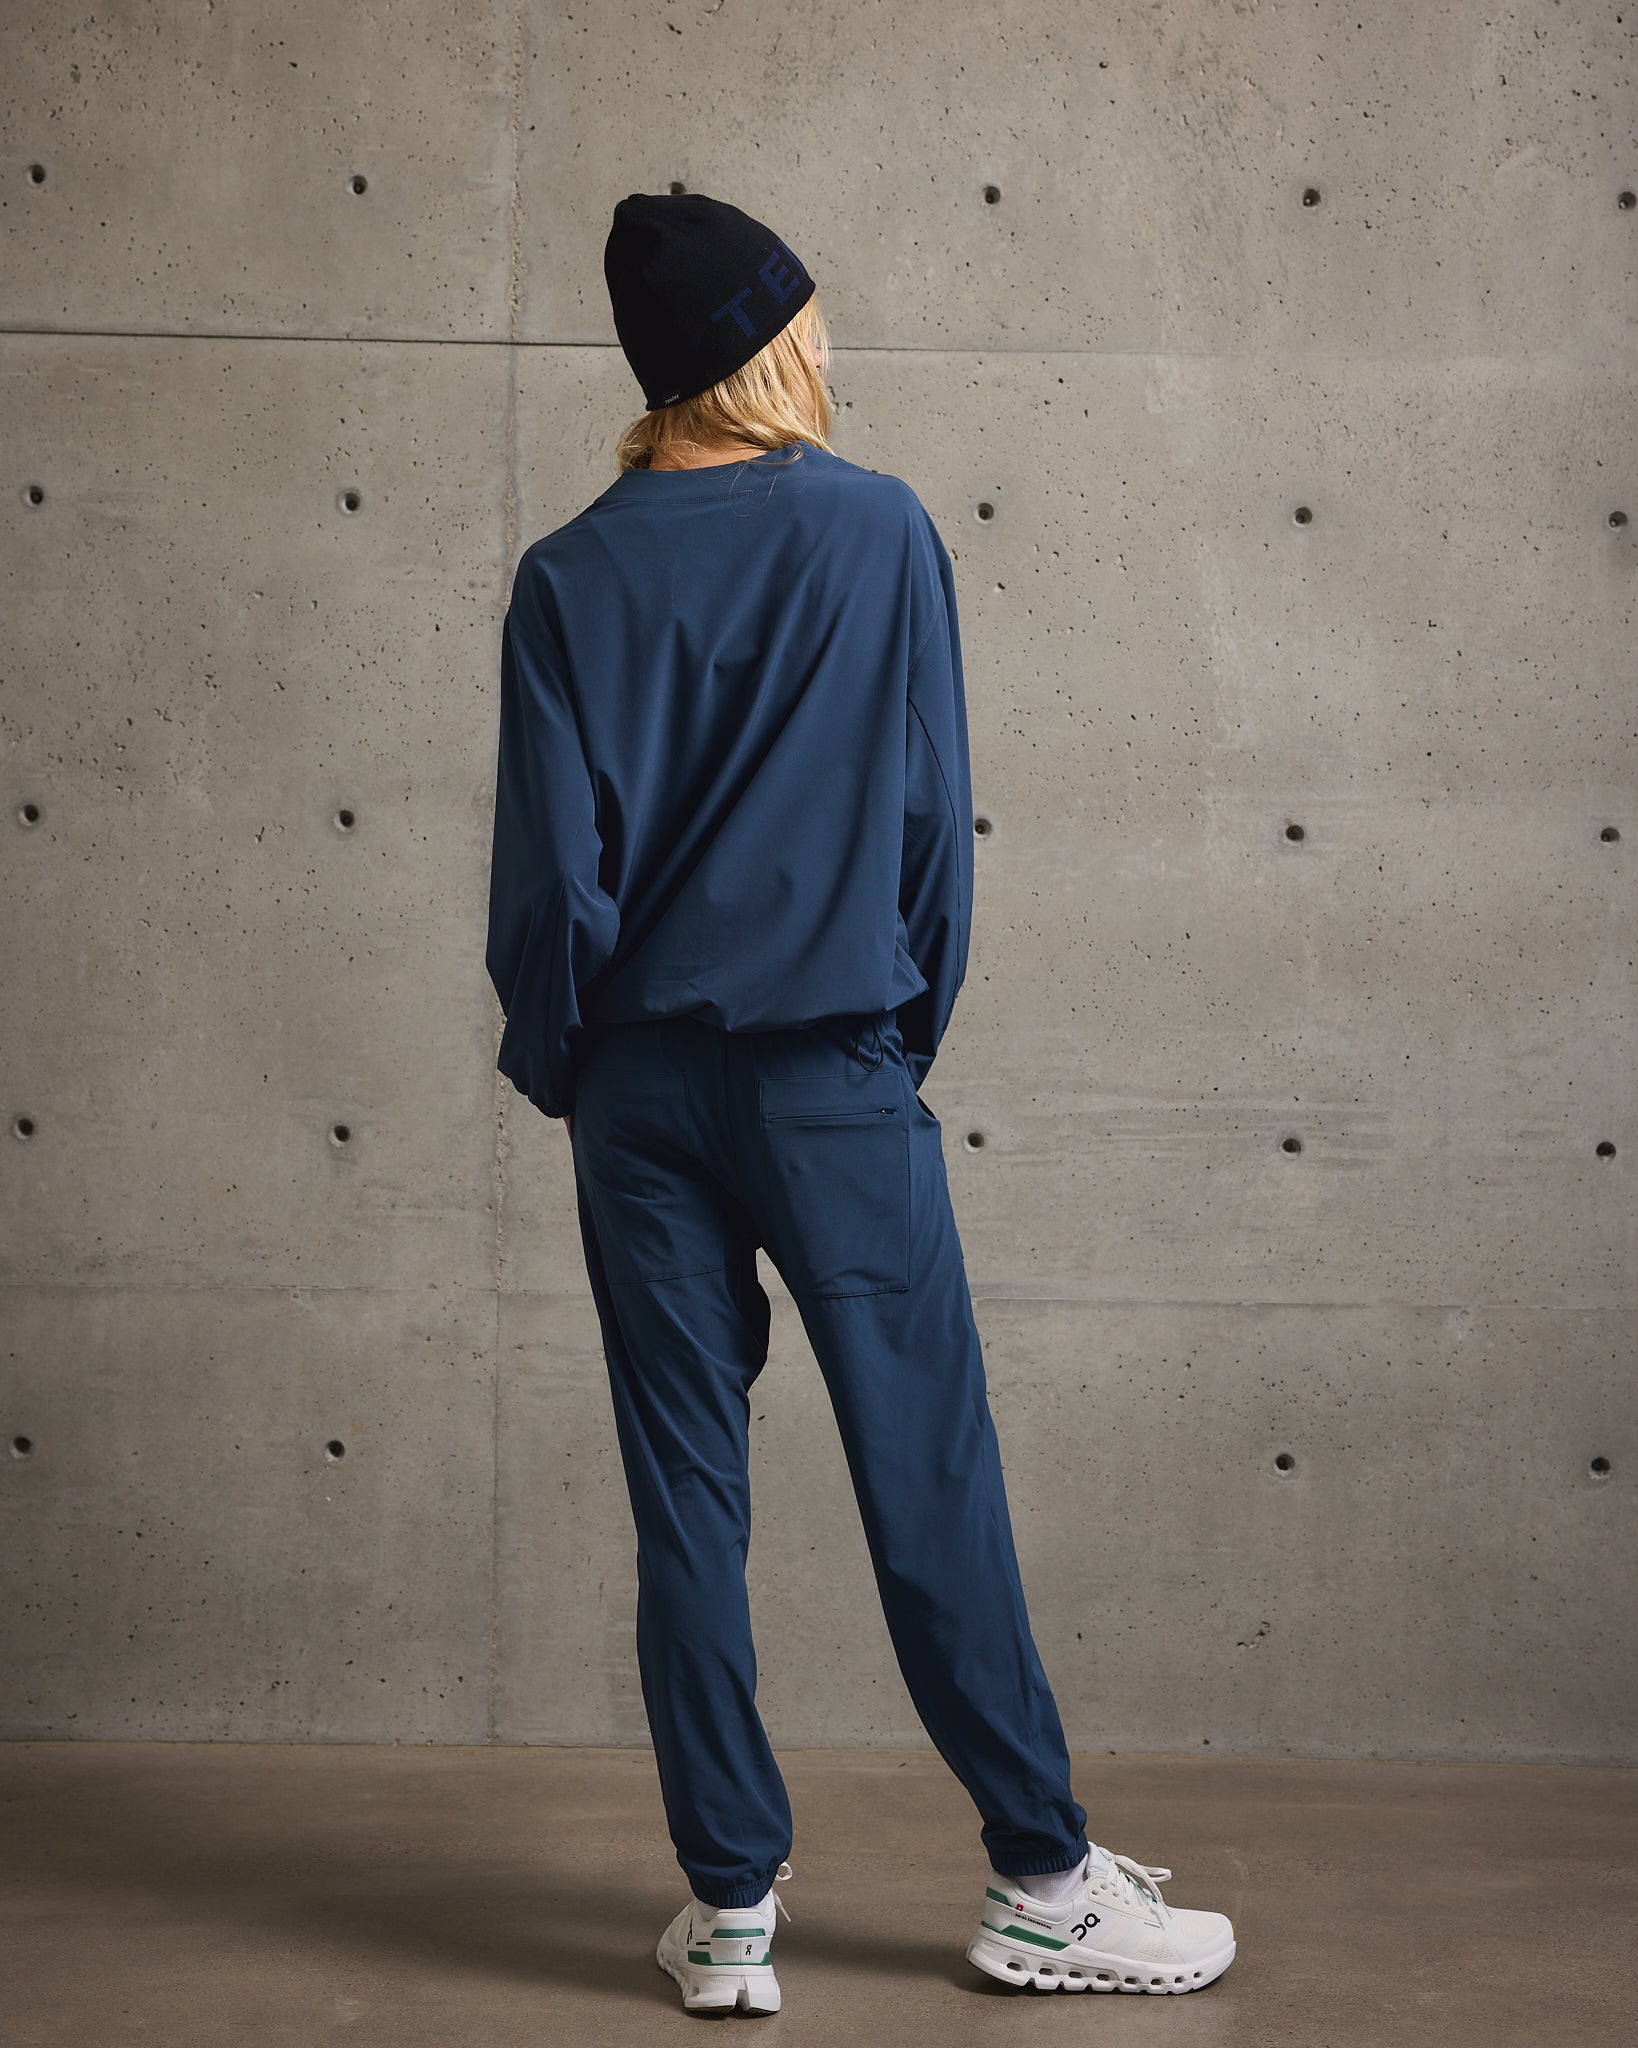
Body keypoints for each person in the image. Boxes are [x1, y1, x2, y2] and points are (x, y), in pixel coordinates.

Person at [484, 190, 1236, 2015]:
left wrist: (573, 1067)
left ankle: (729, 1912)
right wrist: (893, 1044)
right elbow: (925, 827)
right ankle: (1040, 1880)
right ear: (768, 345)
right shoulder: (874, 528)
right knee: (926, 1472)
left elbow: (552, 881)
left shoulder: (567, 573)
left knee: (686, 1496)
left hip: (637, 1090)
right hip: (827, 1064)